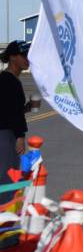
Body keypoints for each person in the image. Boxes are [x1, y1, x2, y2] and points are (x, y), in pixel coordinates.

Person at [0, 41, 35, 175]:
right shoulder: (9, 81)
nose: (28, 59)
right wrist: (20, 136)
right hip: (6, 135)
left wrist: (28, 107)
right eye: (24, 55)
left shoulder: (8, 79)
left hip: (7, 132)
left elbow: (9, 109)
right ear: (13, 57)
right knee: (7, 175)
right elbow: (12, 113)